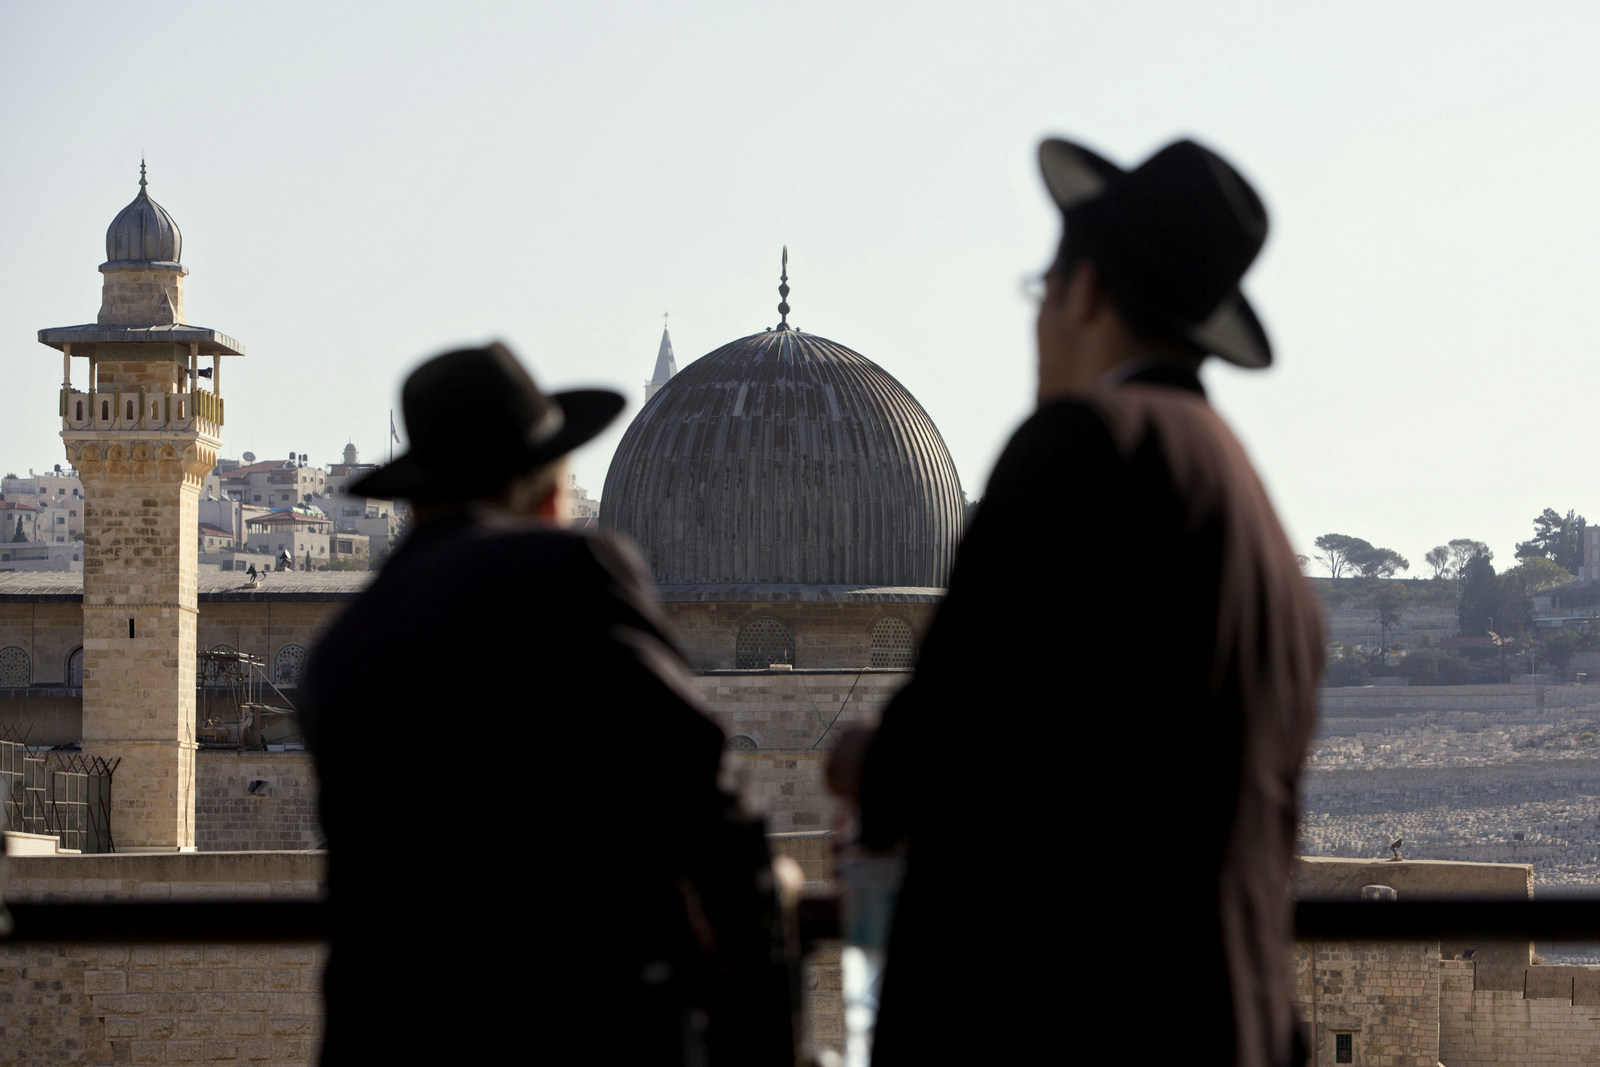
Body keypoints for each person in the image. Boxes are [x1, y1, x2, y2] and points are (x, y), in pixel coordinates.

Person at [841, 140, 1324, 1065]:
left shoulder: (1082, 446)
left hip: (1076, 1019)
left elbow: (941, 743)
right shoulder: (1254, 507)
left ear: (1084, 292)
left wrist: (864, 758)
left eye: (1041, 292)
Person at [302, 343, 793, 1066]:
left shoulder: (341, 648)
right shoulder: (571, 570)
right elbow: (711, 810)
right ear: (548, 491)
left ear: (414, 500)